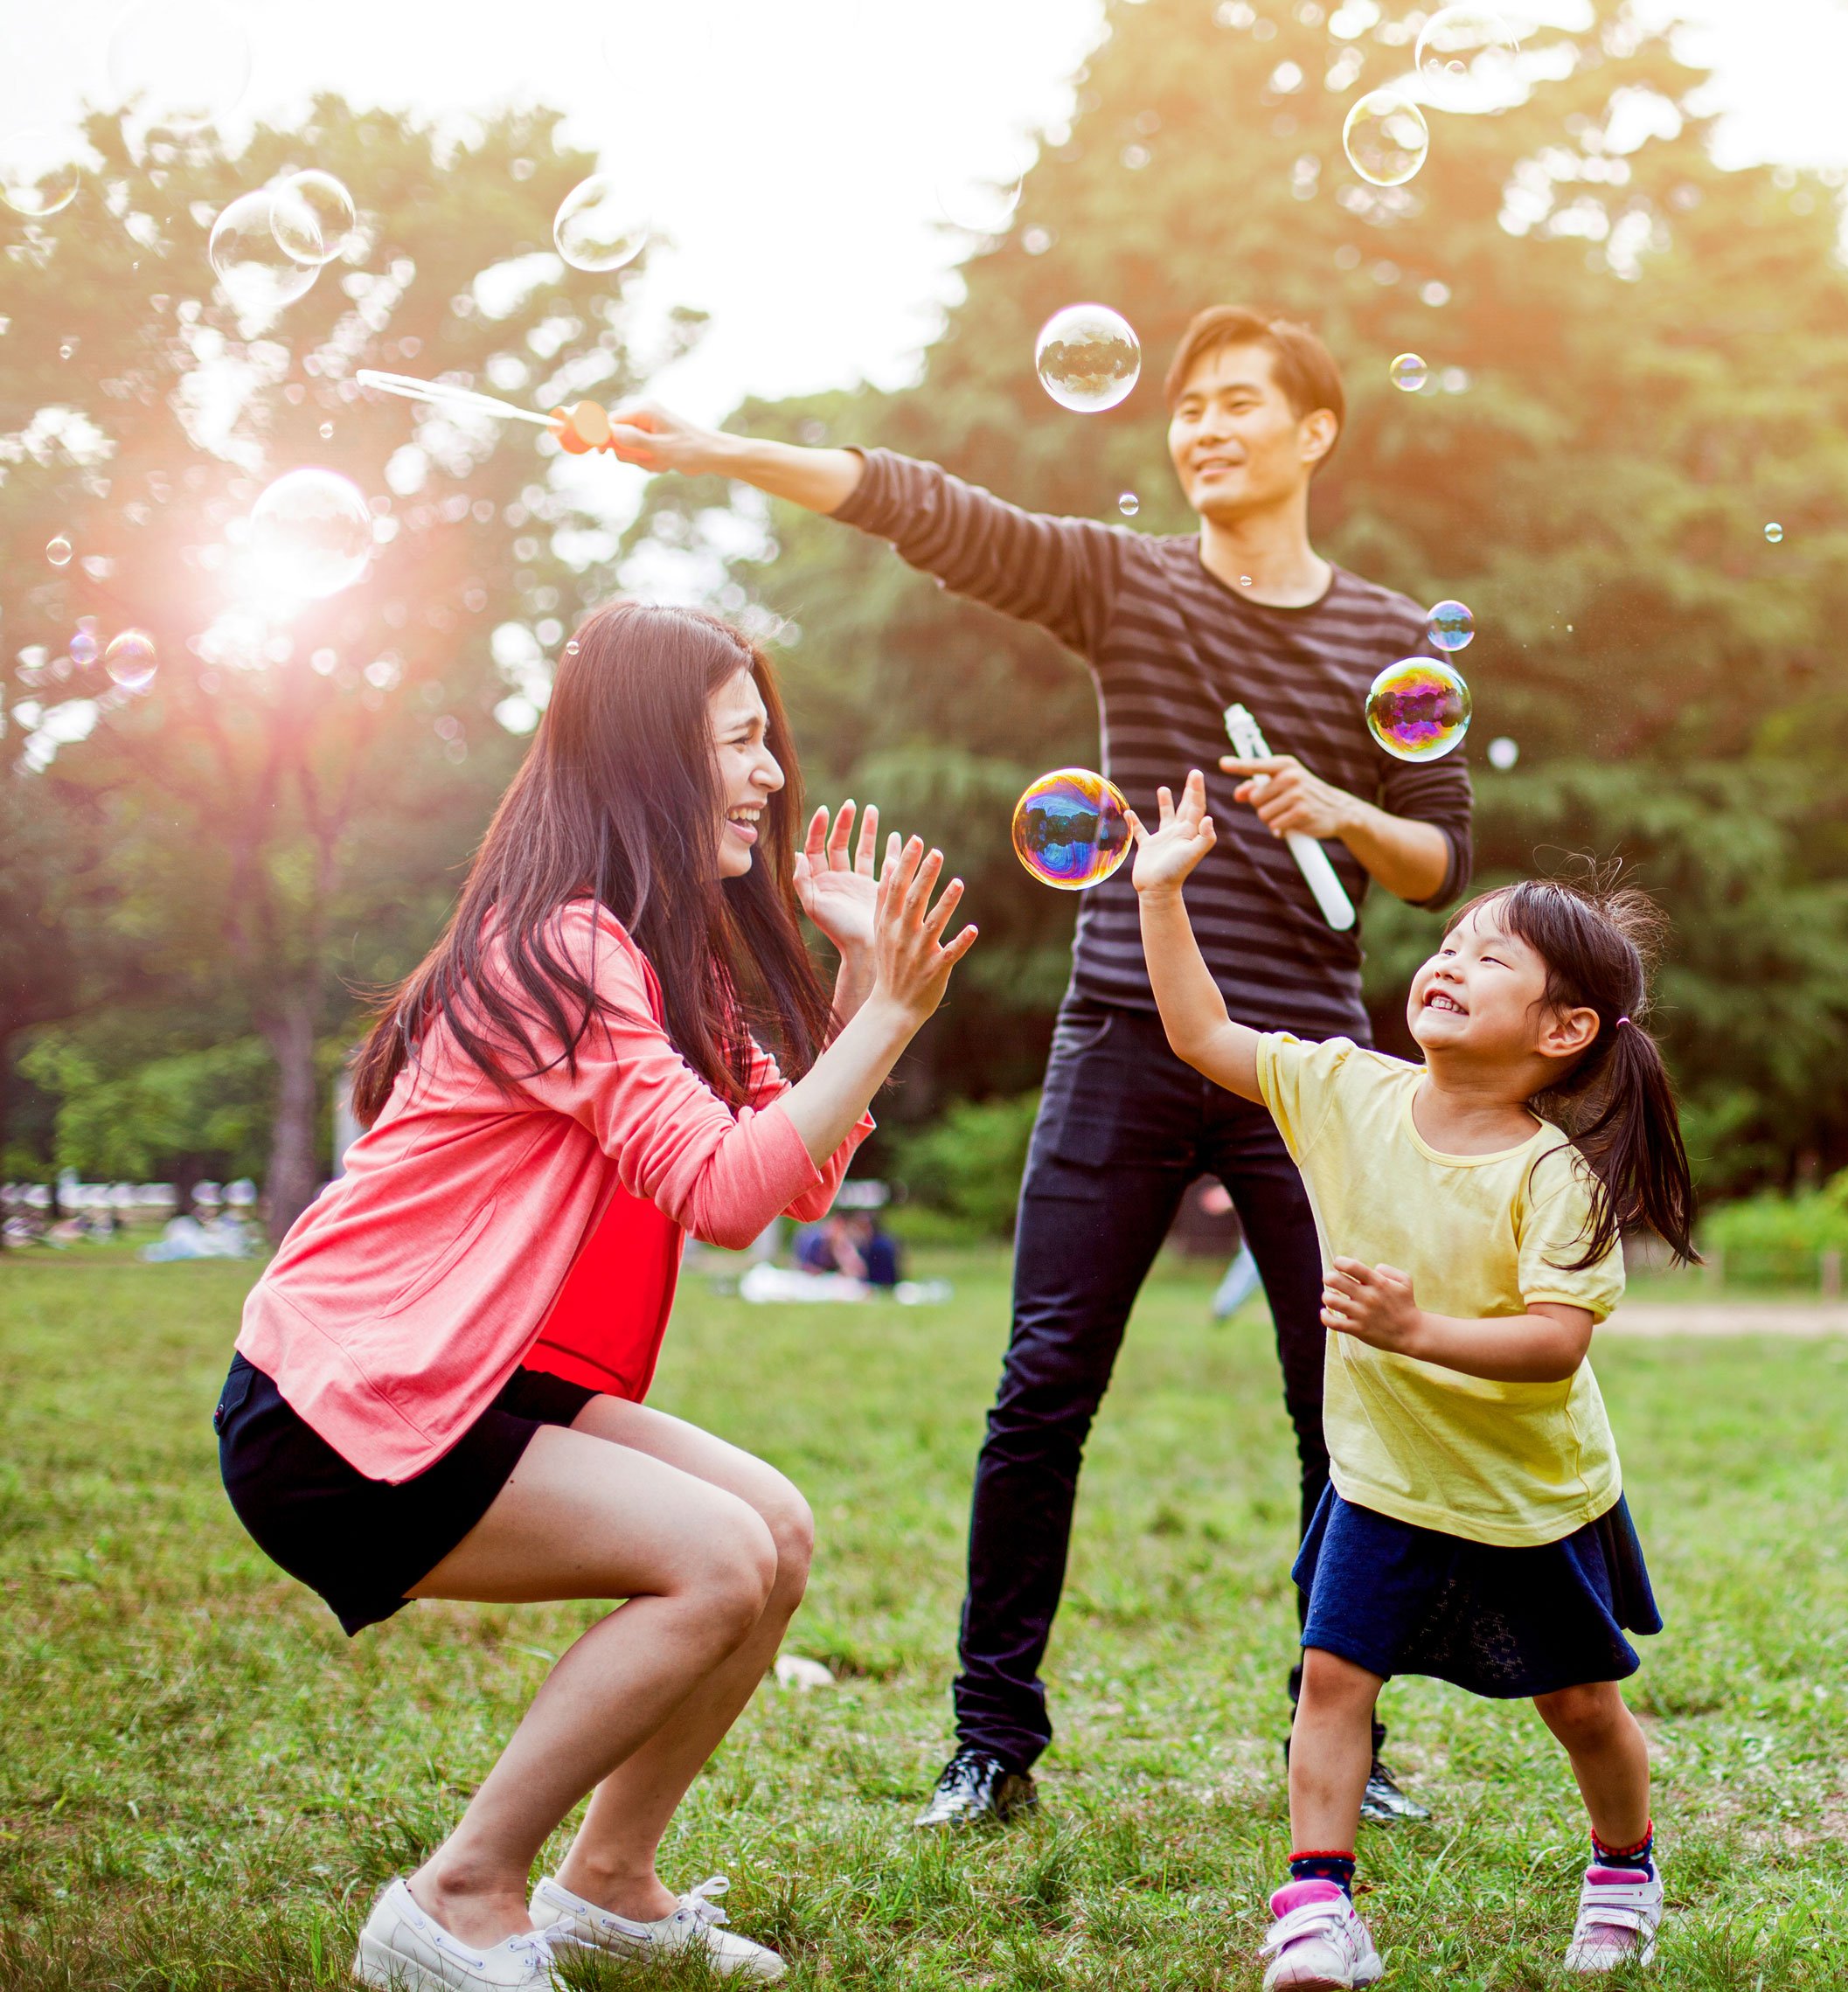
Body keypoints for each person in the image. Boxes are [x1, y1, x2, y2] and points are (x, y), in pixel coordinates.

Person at [609, 306, 1471, 1829]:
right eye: (1185, 407)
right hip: (1125, 1029)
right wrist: (715, 452)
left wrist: (1338, 806)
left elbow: (1436, 858)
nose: (1198, 427)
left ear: (1312, 434)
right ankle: (990, 1742)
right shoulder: (1126, 583)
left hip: (1305, 1064)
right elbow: (925, 508)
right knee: (1041, 1391)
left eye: (1234, 405)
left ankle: (1342, 1735)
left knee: (1336, 1399)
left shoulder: (1387, 634)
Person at [212, 603, 977, 1992]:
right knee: (714, 1559)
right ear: (648, 756)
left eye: (765, 743)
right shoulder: (568, 949)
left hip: (472, 1380)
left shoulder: (654, 953)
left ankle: (611, 1882)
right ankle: (457, 1892)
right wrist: (887, 1017)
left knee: (773, 1533)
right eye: (738, 744)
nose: (768, 776)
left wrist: (863, 978)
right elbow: (727, 1195)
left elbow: (788, 1180)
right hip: (346, 1406)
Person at [1128, 773, 1698, 1984]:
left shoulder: (1556, 1177)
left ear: (1562, 1032)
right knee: (1332, 1677)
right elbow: (1200, 1035)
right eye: (1446, 942)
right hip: (1384, 1478)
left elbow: (1554, 1344)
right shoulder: (1347, 1091)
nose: (1447, 961)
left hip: (1525, 1491)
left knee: (1581, 1707)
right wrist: (1161, 895)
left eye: (1488, 959)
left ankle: (1621, 1864)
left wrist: (1412, 1328)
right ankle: (1317, 1904)